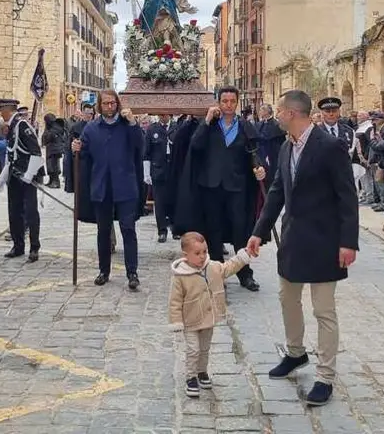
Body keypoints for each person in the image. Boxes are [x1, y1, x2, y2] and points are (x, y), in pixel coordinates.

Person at [248, 89, 358, 408]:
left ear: (292, 113)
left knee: (324, 309)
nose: (276, 115)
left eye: (279, 111)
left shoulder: (330, 146)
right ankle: (296, 354)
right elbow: (277, 192)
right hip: (294, 239)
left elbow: (347, 197)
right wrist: (259, 232)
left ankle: (325, 376)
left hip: (325, 240)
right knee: (288, 299)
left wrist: (348, 242)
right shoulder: (286, 147)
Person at [178, 86, 264, 292]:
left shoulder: (244, 126)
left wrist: (259, 168)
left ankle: (245, 274)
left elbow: (253, 152)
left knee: (240, 230)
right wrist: (207, 120)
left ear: (237, 103)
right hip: (211, 185)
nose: (228, 105)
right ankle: (217, 274)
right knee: (213, 230)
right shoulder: (209, 125)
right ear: (218, 102)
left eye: (232, 101)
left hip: (237, 186)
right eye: (224, 101)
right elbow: (196, 146)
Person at [72, 90, 145, 288]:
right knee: (103, 231)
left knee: (128, 229)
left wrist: (132, 123)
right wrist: (76, 148)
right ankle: (104, 270)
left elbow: (140, 145)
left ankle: (132, 272)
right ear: (100, 106)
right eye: (106, 104)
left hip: (125, 186)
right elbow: (84, 153)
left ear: (118, 104)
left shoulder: (127, 126)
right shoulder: (91, 128)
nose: (110, 107)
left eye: (113, 103)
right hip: (102, 187)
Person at [168, 232, 255, 398]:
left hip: (208, 318)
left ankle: (202, 372)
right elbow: (174, 301)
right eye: (197, 253)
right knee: (193, 350)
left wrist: (243, 255)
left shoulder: (212, 267)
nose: (202, 256)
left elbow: (229, 266)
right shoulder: (180, 276)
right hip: (190, 320)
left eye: (204, 251)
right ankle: (191, 377)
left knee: (204, 348)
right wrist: (176, 322)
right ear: (186, 256)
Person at [0, 98, 42, 261]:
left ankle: (34, 247)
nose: (0, 114)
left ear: (8, 109)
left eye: (1, 110)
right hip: (15, 176)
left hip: (27, 176)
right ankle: (18, 246)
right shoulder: (11, 127)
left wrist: (29, 176)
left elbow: (36, 153)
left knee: (30, 212)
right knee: (14, 212)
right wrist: (2, 177)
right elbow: (12, 154)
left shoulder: (22, 126)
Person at [146, 112, 176, 242]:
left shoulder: (176, 127)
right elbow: (146, 152)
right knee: (159, 203)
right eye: (161, 115)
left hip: (174, 170)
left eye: (165, 115)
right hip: (158, 170)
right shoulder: (152, 129)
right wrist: (146, 173)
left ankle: (176, 229)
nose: (163, 117)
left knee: (175, 201)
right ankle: (162, 231)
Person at [42, 113, 66, 188]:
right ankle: (51, 180)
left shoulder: (55, 128)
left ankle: (56, 182)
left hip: (55, 149)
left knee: (54, 166)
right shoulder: (50, 127)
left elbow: (49, 137)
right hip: (51, 149)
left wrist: (46, 135)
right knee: (50, 165)